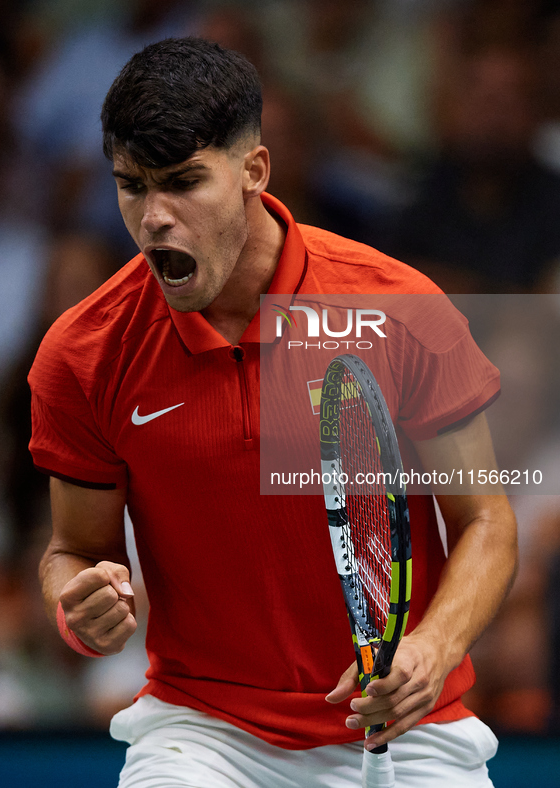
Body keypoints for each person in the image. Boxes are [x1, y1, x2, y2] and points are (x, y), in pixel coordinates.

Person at [28, 38, 518, 787]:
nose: (155, 216)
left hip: (409, 725)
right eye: (132, 186)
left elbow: (485, 520)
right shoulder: (85, 352)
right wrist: (80, 609)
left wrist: (433, 648)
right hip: (204, 733)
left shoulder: (396, 308)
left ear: (254, 171)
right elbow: (75, 551)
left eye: (184, 182)